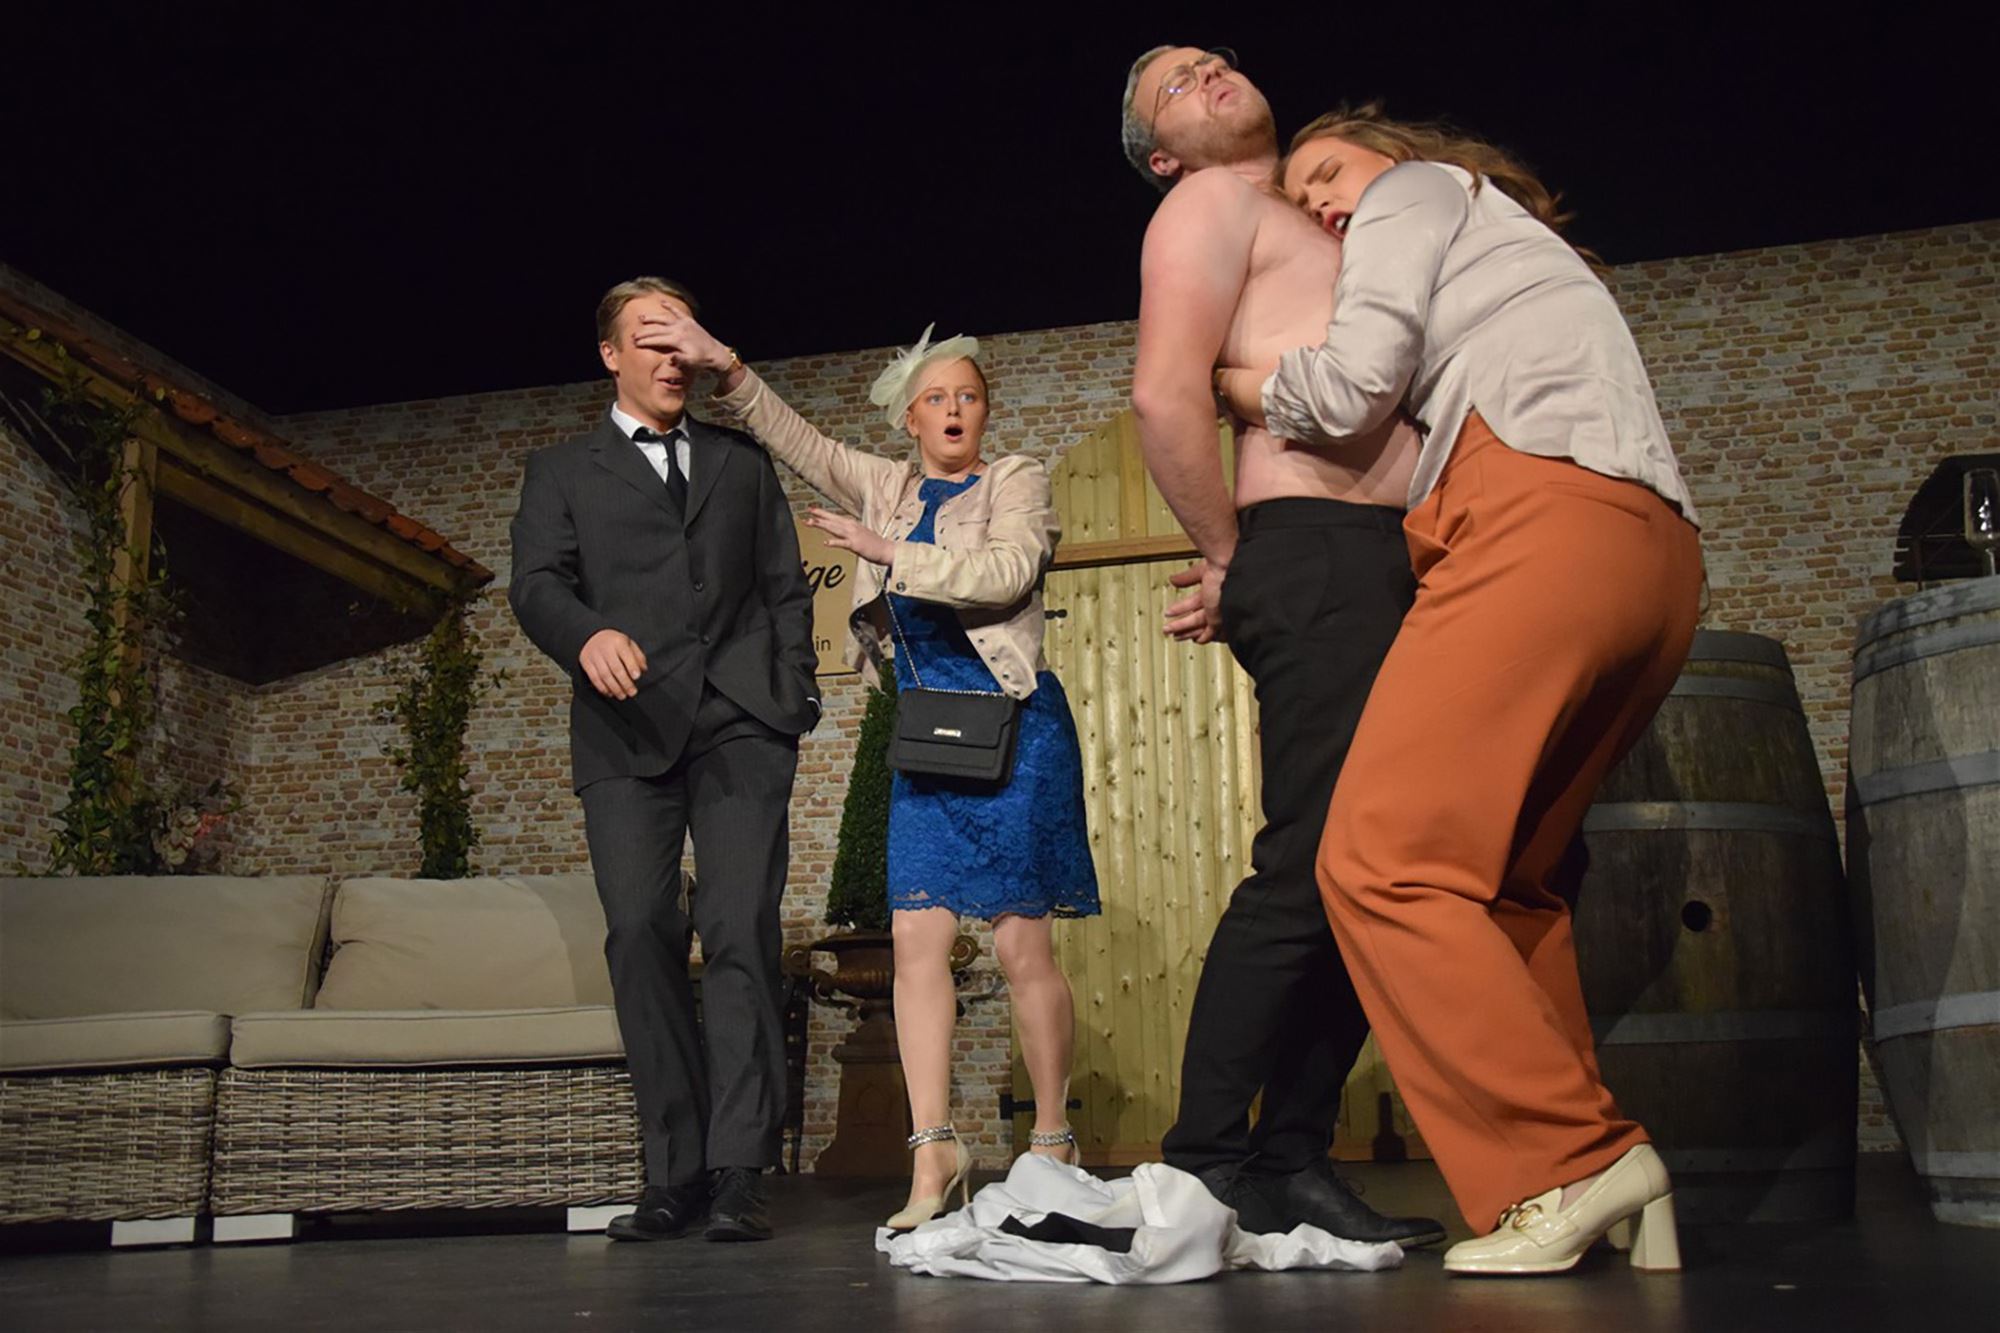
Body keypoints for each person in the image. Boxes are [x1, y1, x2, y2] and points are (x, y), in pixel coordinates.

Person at [1215, 104, 1704, 1275]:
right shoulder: (1509, 251)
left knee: (1379, 858)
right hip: (1649, 551)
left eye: (1327, 171)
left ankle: (1566, 1163)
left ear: (1389, 152)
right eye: (1301, 196)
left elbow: (1349, 386)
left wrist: (1230, 380)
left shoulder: (1414, 192)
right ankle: (1606, 1189)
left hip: (1534, 515)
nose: (1319, 201)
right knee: (1506, 884)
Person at [642, 310, 1100, 1231]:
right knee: (916, 941)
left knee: (1022, 945)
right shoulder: (886, 483)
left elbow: (1007, 571)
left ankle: (1052, 1138)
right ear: (910, 418)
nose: (955, 410)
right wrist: (725, 363)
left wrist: (895, 554)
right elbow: (794, 436)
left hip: (1014, 725)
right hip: (930, 737)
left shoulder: (1015, 478)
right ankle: (933, 1152)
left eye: (969, 396)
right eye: (937, 398)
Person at [1117, 44, 1441, 1248]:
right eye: (1173, 85)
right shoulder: (1208, 203)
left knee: (1372, 867)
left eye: (1210, 59)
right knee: (1309, 861)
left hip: (1397, 556)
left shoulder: (1321, 213)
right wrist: (1228, 558)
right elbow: (1164, 393)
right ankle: (1206, 1162)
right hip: (1315, 548)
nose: (1205, 72)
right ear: (1160, 156)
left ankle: (1291, 1155)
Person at [508, 277, 821, 1244]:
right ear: (610, 354)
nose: (672, 356)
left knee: (737, 928)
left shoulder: (740, 463)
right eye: (651, 338)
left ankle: (739, 1169)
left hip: (740, 722)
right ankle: (673, 1169)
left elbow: (784, 587)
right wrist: (585, 635)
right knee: (641, 928)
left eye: (682, 337)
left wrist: (793, 691)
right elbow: (536, 584)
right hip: (626, 729)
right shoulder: (562, 471)